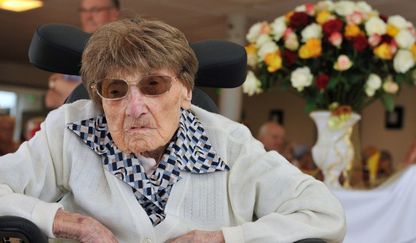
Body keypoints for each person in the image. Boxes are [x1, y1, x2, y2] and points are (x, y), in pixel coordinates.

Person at [0, 18, 345, 242]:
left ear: (185, 91)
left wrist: (222, 239)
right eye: (116, 90)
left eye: (153, 85)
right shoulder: (70, 129)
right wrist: (67, 222)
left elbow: (323, 213)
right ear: (99, 98)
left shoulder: (230, 144)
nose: (135, 107)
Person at [45, 0, 120, 109]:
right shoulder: (72, 49)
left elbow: (105, 95)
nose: (88, 16)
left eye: (95, 10)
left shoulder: (120, 49)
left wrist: (56, 83)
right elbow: (50, 100)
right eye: (84, 10)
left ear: (114, 13)